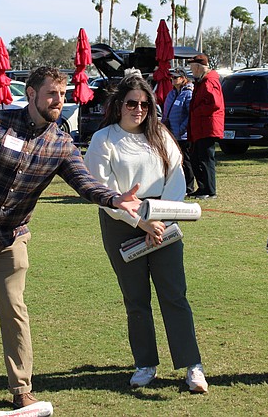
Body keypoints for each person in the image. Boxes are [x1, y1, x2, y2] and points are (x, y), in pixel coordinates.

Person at [0, 66, 142, 409]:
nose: (59, 100)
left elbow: (83, 180)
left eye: (62, 94)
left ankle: (20, 388)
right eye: (52, 94)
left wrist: (113, 198)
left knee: (15, 309)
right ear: (31, 94)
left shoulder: (60, 142)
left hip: (11, 238)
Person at [84, 72, 208, 393]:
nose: (138, 109)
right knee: (136, 299)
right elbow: (102, 191)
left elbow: (176, 180)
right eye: (131, 103)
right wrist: (140, 222)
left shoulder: (161, 136)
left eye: (144, 104)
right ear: (119, 105)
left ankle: (191, 364)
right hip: (122, 224)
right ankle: (145, 363)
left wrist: (160, 219)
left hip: (163, 221)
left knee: (174, 294)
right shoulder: (104, 140)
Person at [186, 54, 224, 199]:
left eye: (192, 67)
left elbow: (215, 104)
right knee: (197, 158)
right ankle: (203, 188)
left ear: (198, 67)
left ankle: (210, 190)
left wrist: (197, 111)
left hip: (207, 127)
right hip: (200, 127)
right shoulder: (202, 81)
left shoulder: (209, 82)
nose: (191, 70)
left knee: (206, 159)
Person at [162, 67, 195, 195]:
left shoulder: (188, 93)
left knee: (185, 161)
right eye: (172, 78)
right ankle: (176, 185)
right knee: (172, 160)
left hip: (183, 135)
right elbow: (166, 112)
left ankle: (189, 186)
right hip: (171, 133)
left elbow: (189, 114)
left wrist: (182, 128)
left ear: (183, 78)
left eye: (176, 77)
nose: (173, 80)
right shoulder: (171, 93)